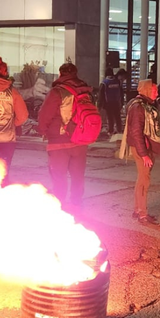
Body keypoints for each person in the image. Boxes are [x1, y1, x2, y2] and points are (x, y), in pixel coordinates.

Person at [37, 63, 93, 210]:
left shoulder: (57, 92)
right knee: (77, 176)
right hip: (80, 141)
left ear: (60, 74)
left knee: (59, 176)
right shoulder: (85, 91)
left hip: (59, 142)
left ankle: (59, 204)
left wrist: (42, 130)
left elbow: (44, 115)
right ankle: (76, 203)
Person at [119, 79, 160, 225]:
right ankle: (143, 214)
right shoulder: (139, 107)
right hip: (142, 148)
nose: (157, 93)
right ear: (146, 90)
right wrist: (144, 154)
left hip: (144, 147)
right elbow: (136, 131)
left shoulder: (143, 105)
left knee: (142, 179)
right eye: (154, 90)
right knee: (144, 180)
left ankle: (138, 210)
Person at [98, 68, 124, 135]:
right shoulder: (117, 82)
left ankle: (111, 130)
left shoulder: (104, 83)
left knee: (110, 117)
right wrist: (121, 102)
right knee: (117, 116)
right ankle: (119, 130)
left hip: (108, 103)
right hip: (116, 102)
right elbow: (121, 93)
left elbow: (101, 95)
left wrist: (99, 105)